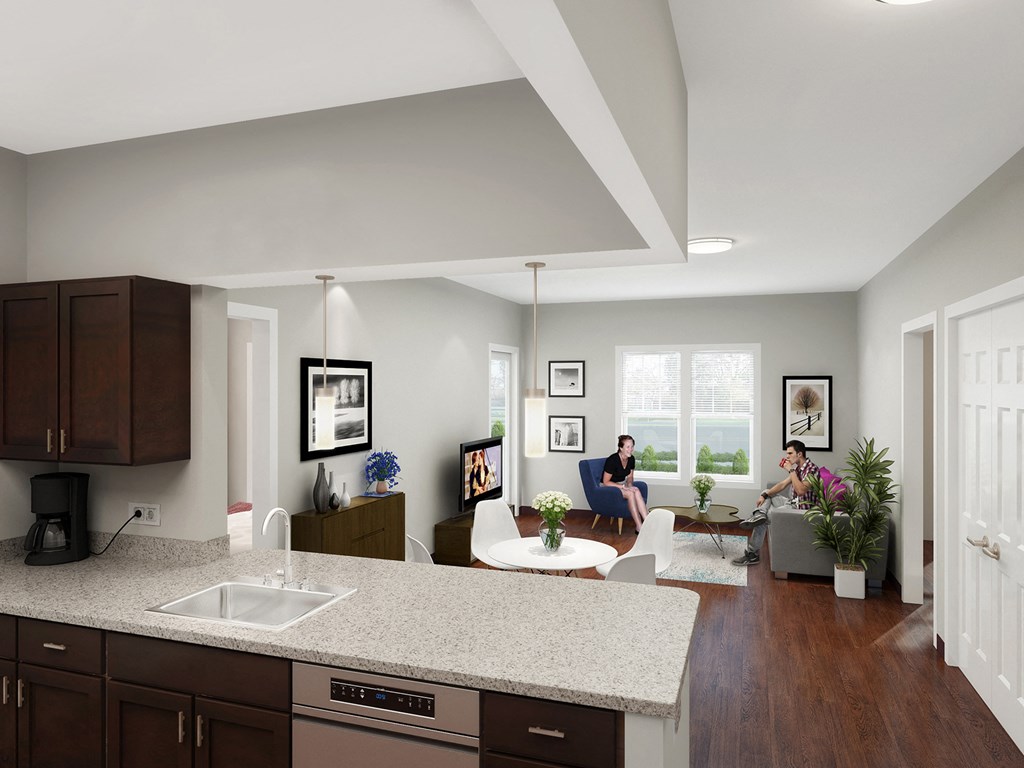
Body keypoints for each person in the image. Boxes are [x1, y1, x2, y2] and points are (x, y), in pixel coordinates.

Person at [732, 439, 819, 566]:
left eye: (790, 453)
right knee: (768, 492)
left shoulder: (812, 470)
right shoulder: (799, 469)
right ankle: (759, 514)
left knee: (764, 519)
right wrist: (764, 494)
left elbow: (801, 491)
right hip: (792, 503)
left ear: (799, 454)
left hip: (800, 511)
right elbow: (782, 484)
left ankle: (752, 554)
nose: (787, 457)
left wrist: (791, 470)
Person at [602, 434, 649, 533]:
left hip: (622, 485)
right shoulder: (612, 460)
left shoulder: (631, 459)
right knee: (630, 493)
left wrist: (630, 485)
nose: (631, 449)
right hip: (609, 487)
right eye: (627, 447)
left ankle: (648, 521)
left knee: (635, 489)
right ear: (620, 448)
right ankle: (639, 526)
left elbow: (630, 477)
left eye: (632, 446)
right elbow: (606, 482)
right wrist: (624, 487)